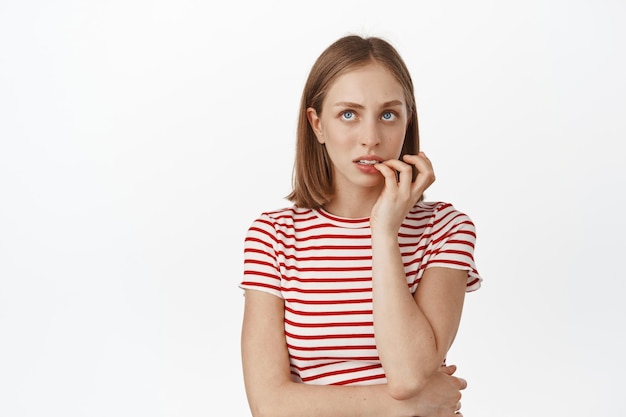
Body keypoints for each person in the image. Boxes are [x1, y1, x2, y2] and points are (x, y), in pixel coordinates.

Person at [239, 34, 482, 417]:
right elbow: (269, 404)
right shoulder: (273, 237)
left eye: (388, 114)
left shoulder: (444, 229)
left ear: (407, 121)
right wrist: (401, 407)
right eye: (348, 114)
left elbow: (408, 375)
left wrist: (384, 234)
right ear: (317, 125)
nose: (371, 139)